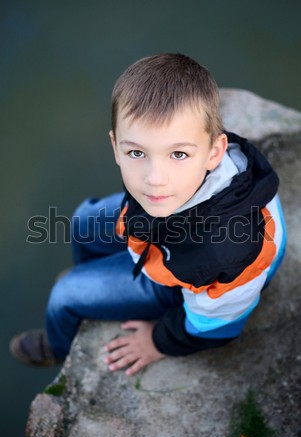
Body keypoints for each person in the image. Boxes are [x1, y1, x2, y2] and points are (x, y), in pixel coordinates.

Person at [10, 53, 286, 376]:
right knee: (83, 219)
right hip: (159, 230)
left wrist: (158, 341)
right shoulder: (175, 183)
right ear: (115, 147)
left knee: (65, 296)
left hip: (179, 279)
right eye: (137, 152)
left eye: (178, 154)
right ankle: (97, 276)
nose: (155, 177)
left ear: (215, 153)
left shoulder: (229, 255)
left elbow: (217, 324)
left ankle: (58, 344)